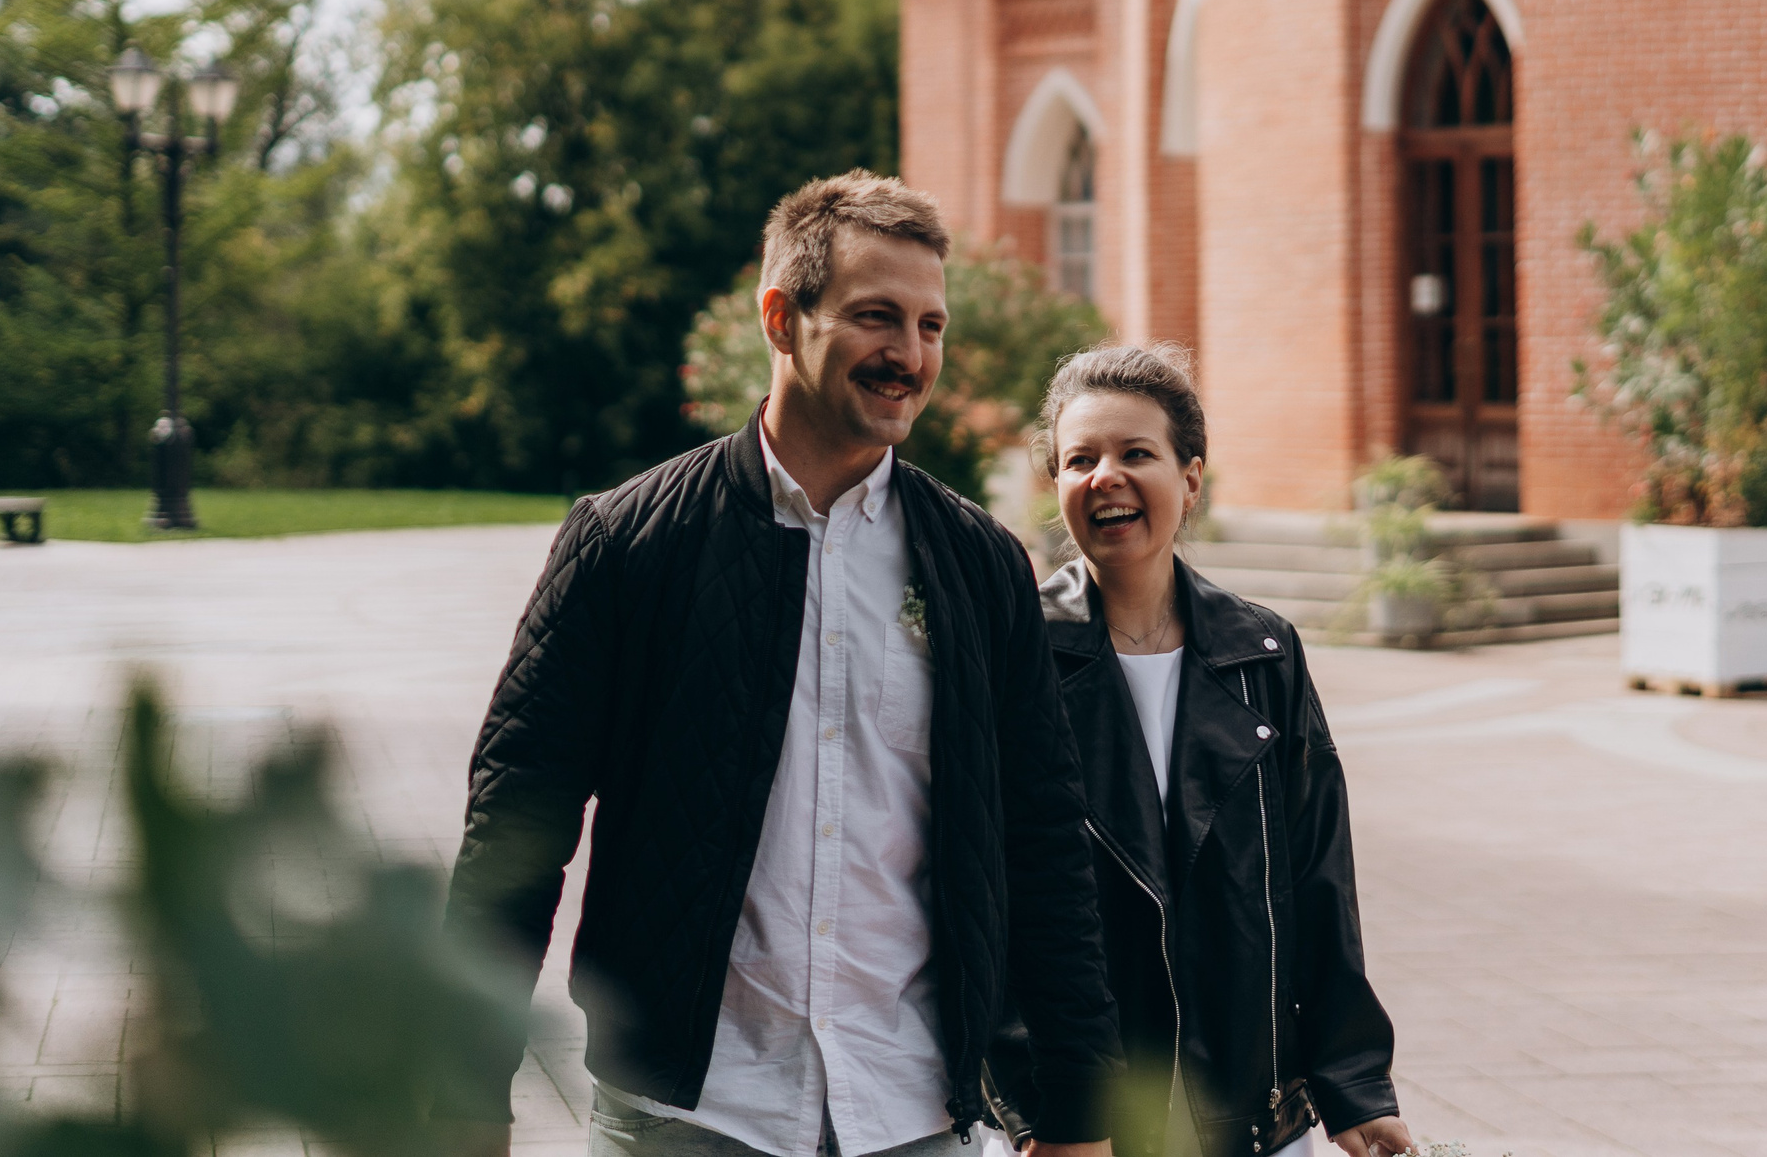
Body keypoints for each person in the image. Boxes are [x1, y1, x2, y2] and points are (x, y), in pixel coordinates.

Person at [437, 171, 1123, 1157]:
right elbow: (516, 819)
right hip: (687, 1110)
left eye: (931, 325)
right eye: (876, 316)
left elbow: (1044, 838)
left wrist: (1074, 1111)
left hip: (913, 1109)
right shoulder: (629, 540)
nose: (910, 354)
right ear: (780, 316)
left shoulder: (980, 564)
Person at [987, 345, 1412, 1157]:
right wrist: (1037, 1109)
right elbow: (986, 898)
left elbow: (1320, 878)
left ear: (1190, 478)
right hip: (1083, 1123)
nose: (1105, 475)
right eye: (1080, 460)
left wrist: (1352, 1083)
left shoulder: (1264, 652)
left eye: (1135, 453)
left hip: (1250, 1107)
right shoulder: (1017, 654)